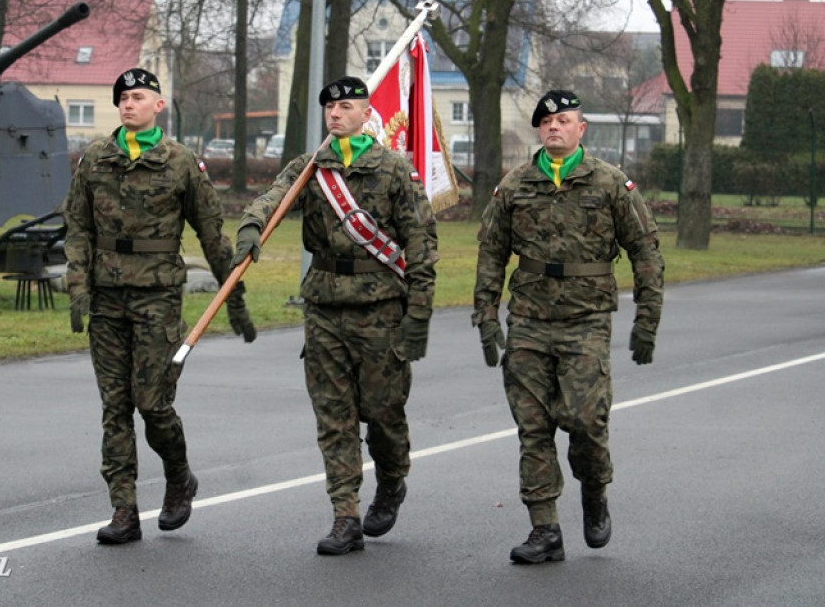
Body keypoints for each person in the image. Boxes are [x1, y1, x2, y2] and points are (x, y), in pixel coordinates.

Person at [233, 76, 439, 556]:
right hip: (324, 306)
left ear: (367, 114)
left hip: (381, 308)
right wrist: (250, 225)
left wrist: (420, 315)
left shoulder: (392, 171)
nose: (336, 114)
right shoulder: (311, 168)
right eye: (330, 108)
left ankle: (391, 480)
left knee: (384, 414)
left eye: (347, 107)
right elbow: (273, 199)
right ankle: (344, 515)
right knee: (334, 416)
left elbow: (422, 246)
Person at [63, 67, 257, 545]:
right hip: (107, 299)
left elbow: (211, 234)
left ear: (158, 104)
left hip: (157, 298)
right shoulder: (94, 160)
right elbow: (78, 229)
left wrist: (233, 300)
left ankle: (178, 476)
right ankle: (124, 510)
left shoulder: (180, 163)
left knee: (152, 404)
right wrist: (77, 287)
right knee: (115, 407)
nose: (128, 104)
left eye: (138, 97)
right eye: (122, 97)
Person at [473, 89, 664, 564]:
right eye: (547, 121)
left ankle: (594, 490)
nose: (554, 126)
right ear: (539, 130)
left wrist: (647, 320)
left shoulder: (609, 183)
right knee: (532, 427)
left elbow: (645, 250)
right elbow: (491, 252)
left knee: (585, 420)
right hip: (530, 321)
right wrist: (485, 315)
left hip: (586, 320)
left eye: (564, 120)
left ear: (582, 129)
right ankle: (544, 529)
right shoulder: (515, 185)